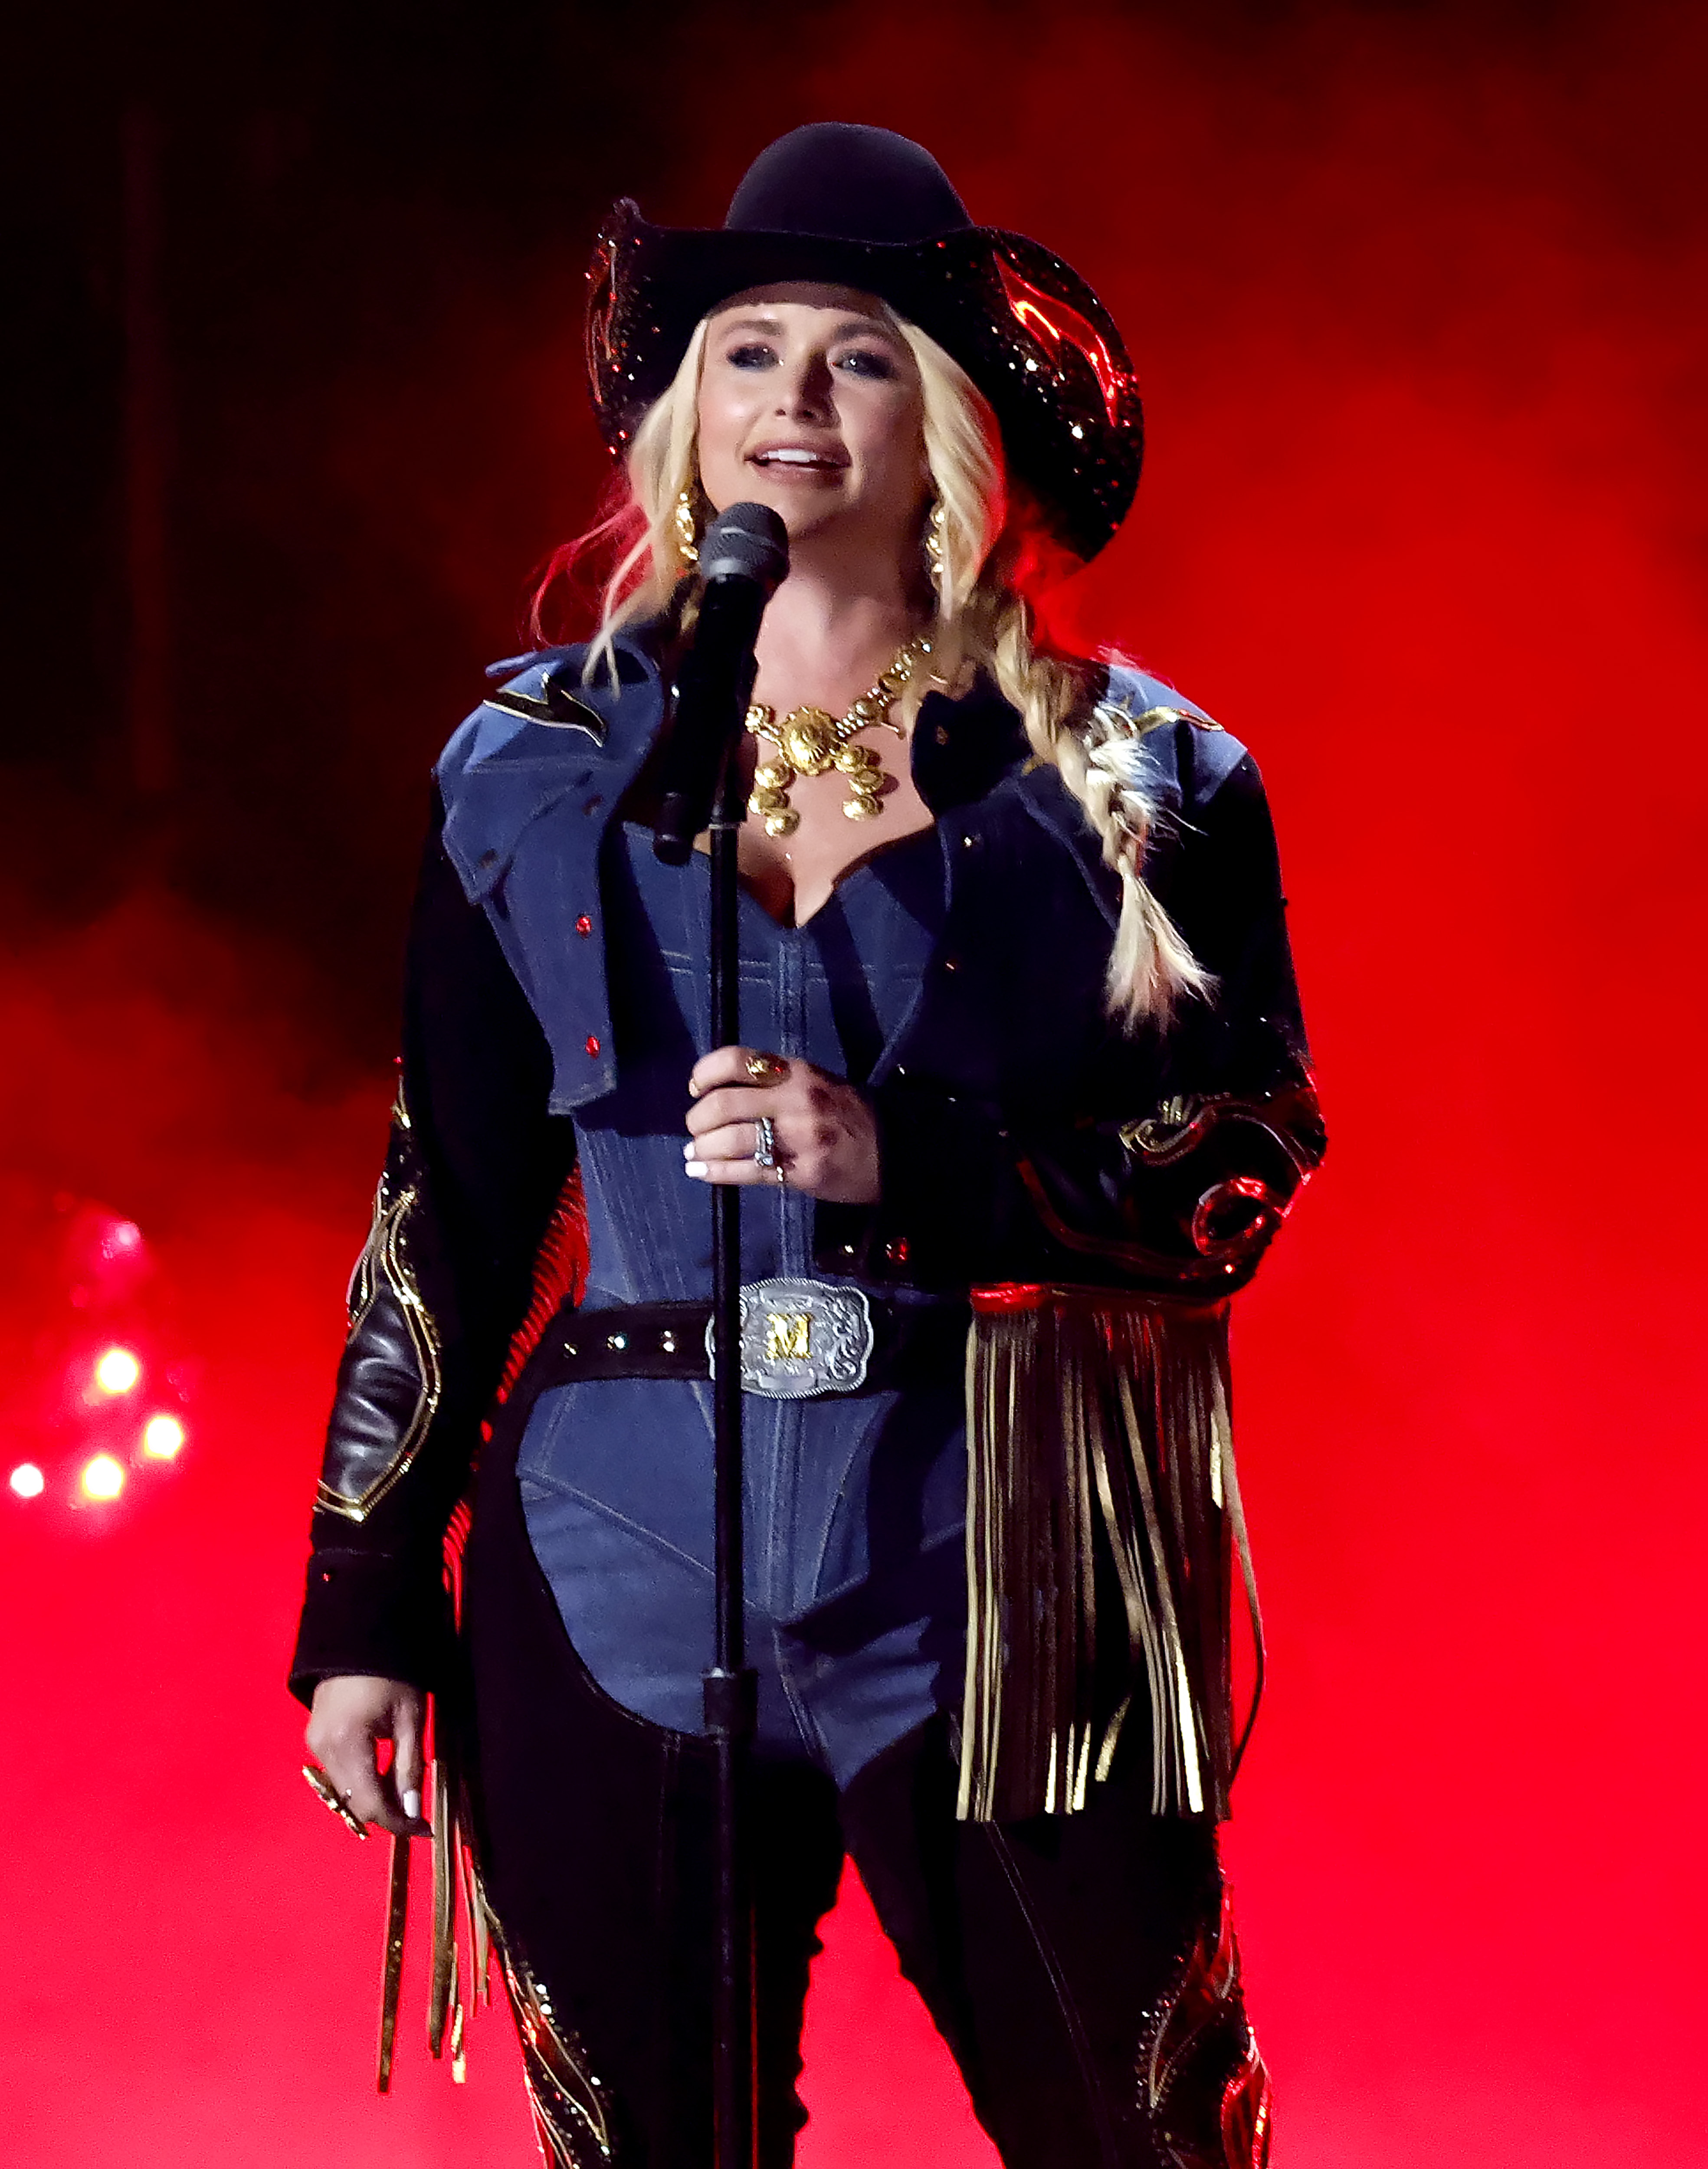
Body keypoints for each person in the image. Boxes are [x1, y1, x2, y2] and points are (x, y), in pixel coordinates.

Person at [290, 123, 1324, 2169]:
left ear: (941, 415)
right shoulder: (530, 768)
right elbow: (454, 1199)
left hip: (997, 1546)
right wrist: (366, 1590)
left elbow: (1241, 1159)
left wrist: (913, 1162)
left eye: (851, 356)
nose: (791, 403)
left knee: (1139, 2134)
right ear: (685, 416)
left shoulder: (1143, 778)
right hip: (608, 1550)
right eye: (748, 354)